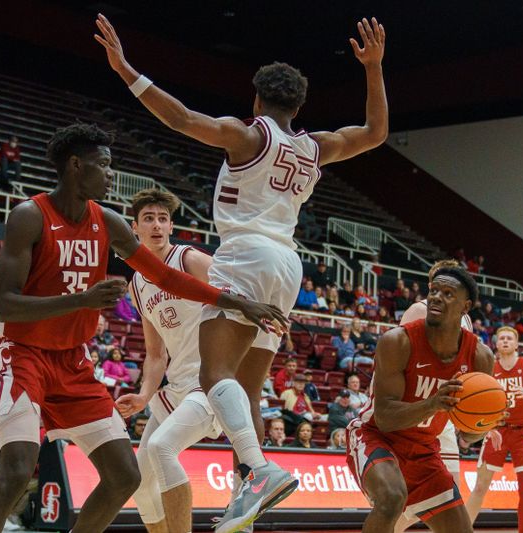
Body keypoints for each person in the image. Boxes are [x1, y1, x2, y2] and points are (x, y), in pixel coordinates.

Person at [96, 12, 387, 531]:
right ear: (299, 106)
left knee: (214, 375)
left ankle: (256, 470)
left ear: (257, 100)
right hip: (289, 264)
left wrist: (124, 69)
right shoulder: (313, 145)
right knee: (246, 393)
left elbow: (182, 118)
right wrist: (373, 69)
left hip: (244, 254)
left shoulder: (247, 134)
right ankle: (245, 505)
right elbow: (375, 132)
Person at [0, 123, 286, 533]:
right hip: (22, 354)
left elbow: (166, 277)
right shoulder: (29, 216)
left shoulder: (110, 222)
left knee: (126, 475)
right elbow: (7, 305)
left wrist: (237, 301)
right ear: (74, 165)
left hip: (73, 362)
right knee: (15, 472)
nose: (111, 174)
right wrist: (82, 301)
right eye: (103, 165)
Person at [346, 267, 495, 533]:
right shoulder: (397, 341)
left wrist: (486, 421)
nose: (436, 298)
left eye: (448, 293)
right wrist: (433, 404)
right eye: (434, 291)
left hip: (425, 449)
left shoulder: (480, 357)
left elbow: (468, 436)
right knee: (392, 499)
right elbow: (386, 419)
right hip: (375, 436)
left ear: (466, 306)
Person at [114, 188, 224, 533]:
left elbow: (239, 301)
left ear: (171, 226)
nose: (157, 225)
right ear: (135, 228)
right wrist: (145, 394)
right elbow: (156, 352)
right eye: (149, 219)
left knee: (162, 448)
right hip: (176, 387)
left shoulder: (190, 259)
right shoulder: (137, 284)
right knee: (140, 483)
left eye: (163, 218)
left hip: (210, 383)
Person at [466, 326, 523, 533]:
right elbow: (478, 402)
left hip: (522, 433)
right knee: (479, 487)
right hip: (496, 431)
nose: (504, 341)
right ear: (496, 343)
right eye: (501, 338)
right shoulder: (489, 367)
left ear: (516, 344)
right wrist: (486, 427)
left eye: (509, 338)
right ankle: (462, 529)